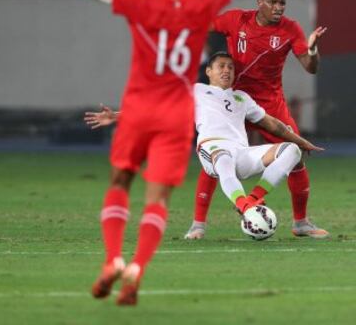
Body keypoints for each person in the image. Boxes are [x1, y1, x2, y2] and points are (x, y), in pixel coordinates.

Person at [15, 0, 284, 306]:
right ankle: (137, 268)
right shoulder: (200, 5)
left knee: (121, 181)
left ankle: (113, 259)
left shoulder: (136, 1)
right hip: (176, 115)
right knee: (157, 198)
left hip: (140, 107)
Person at [85, 52, 323, 218]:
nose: (227, 71)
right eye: (221, 66)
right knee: (225, 158)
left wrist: (302, 142)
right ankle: (245, 207)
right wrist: (117, 116)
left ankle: (250, 201)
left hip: (242, 153)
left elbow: (274, 125)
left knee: (291, 150)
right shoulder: (196, 90)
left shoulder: (242, 98)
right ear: (208, 71)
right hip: (213, 150)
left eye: (230, 67)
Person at [185, 0, 329, 240]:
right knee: (217, 159)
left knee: (296, 158)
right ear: (259, 2)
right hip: (233, 100)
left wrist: (313, 50)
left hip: (270, 103)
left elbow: (311, 67)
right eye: (273, 2)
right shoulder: (237, 20)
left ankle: (300, 223)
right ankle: (198, 225)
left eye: (282, 2)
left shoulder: (290, 29)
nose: (279, 7)